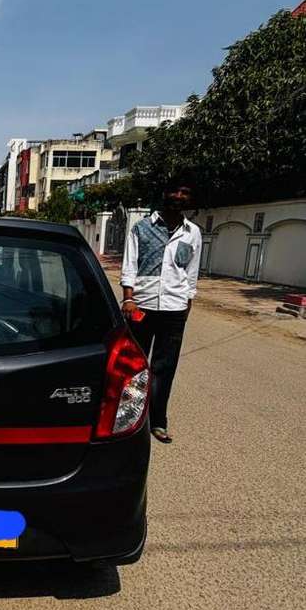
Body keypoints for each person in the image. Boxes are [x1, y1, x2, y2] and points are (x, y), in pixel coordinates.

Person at [120, 175, 202, 444]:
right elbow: (130, 265)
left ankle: (158, 422)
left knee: (165, 367)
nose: (180, 196)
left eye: (185, 192)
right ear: (165, 194)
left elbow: (191, 273)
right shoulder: (141, 228)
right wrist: (128, 299)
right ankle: (130, 418)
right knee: (135, 366)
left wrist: (187, 303)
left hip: (174, 308)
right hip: (141, 305)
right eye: (175, 191)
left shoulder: (193, 233)